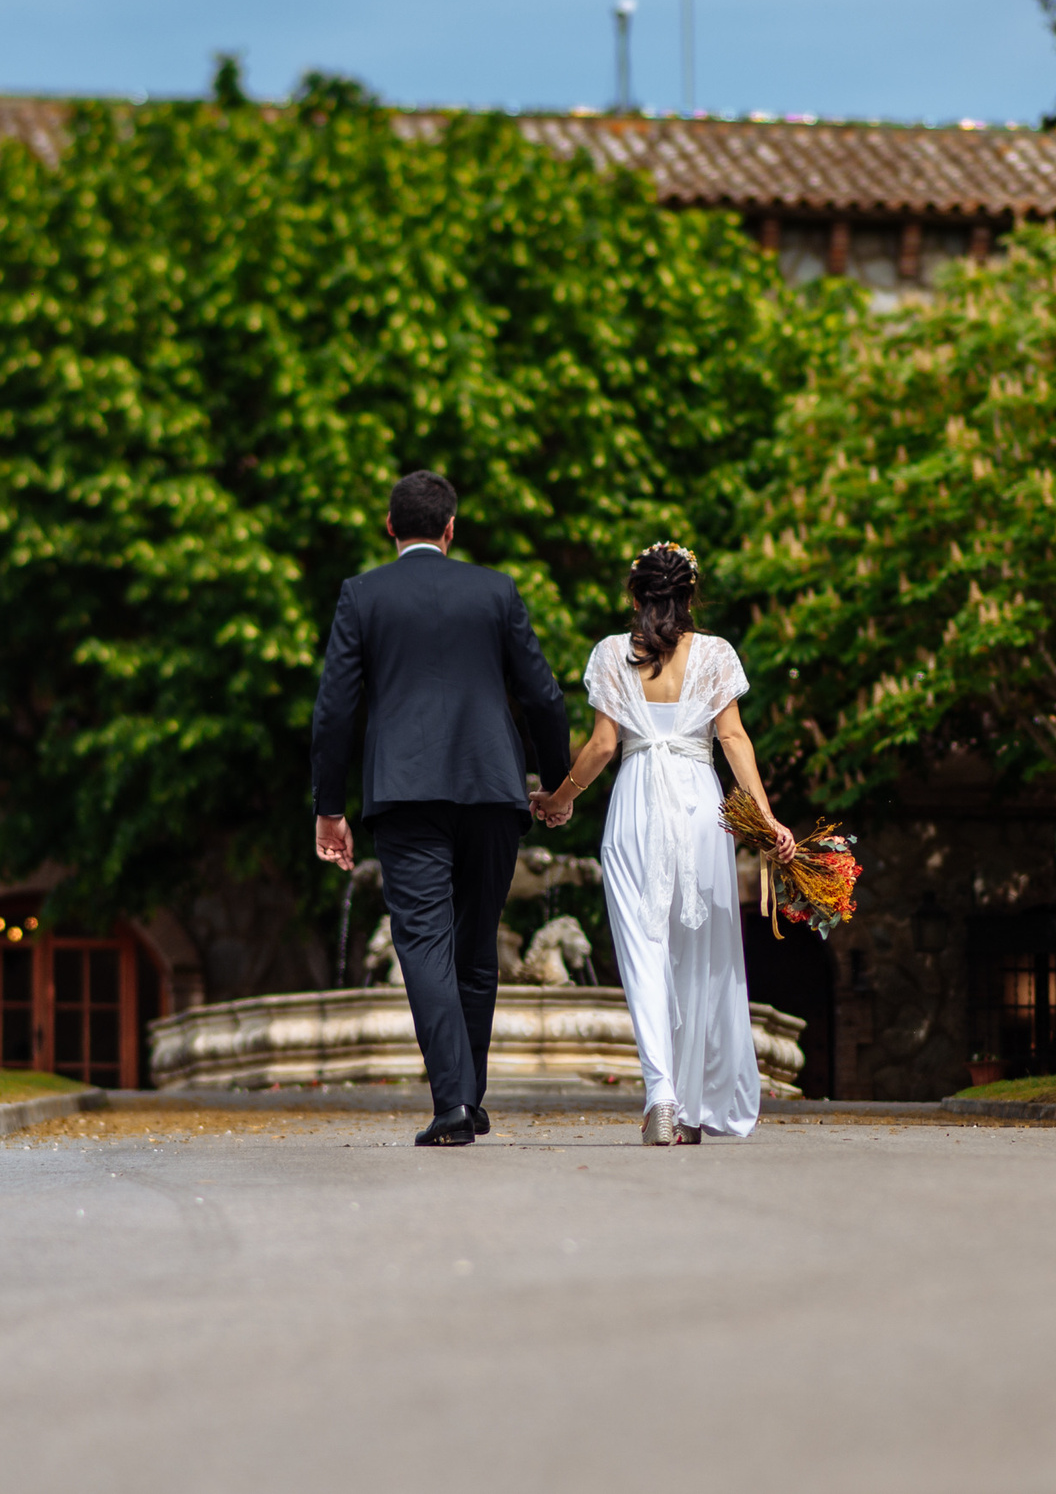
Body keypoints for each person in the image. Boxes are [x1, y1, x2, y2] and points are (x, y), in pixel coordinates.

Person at [311, 472, 572, 1147]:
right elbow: (543, 696)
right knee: (476, 943)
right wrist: (556, 783)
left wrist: (329, 807)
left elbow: (335, 708)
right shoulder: (496, 590)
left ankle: (454, 1101)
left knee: (423, 941)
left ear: (390, 527)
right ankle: (469, 1098)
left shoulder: (362, 594)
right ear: (451, 527)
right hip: (492, 786)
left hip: (403, 794)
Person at [531, 544, 795, 1146]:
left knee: (642, 954)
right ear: (691, 595)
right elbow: (733, 739)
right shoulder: (716, 654)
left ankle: (663, 1095)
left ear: (634, 595)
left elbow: (601, 746)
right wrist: (768, 817)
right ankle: (694, 1105)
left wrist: (560, 798)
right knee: (699, 957)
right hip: (703, 809)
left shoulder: (610, 654)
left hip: (634, 807)